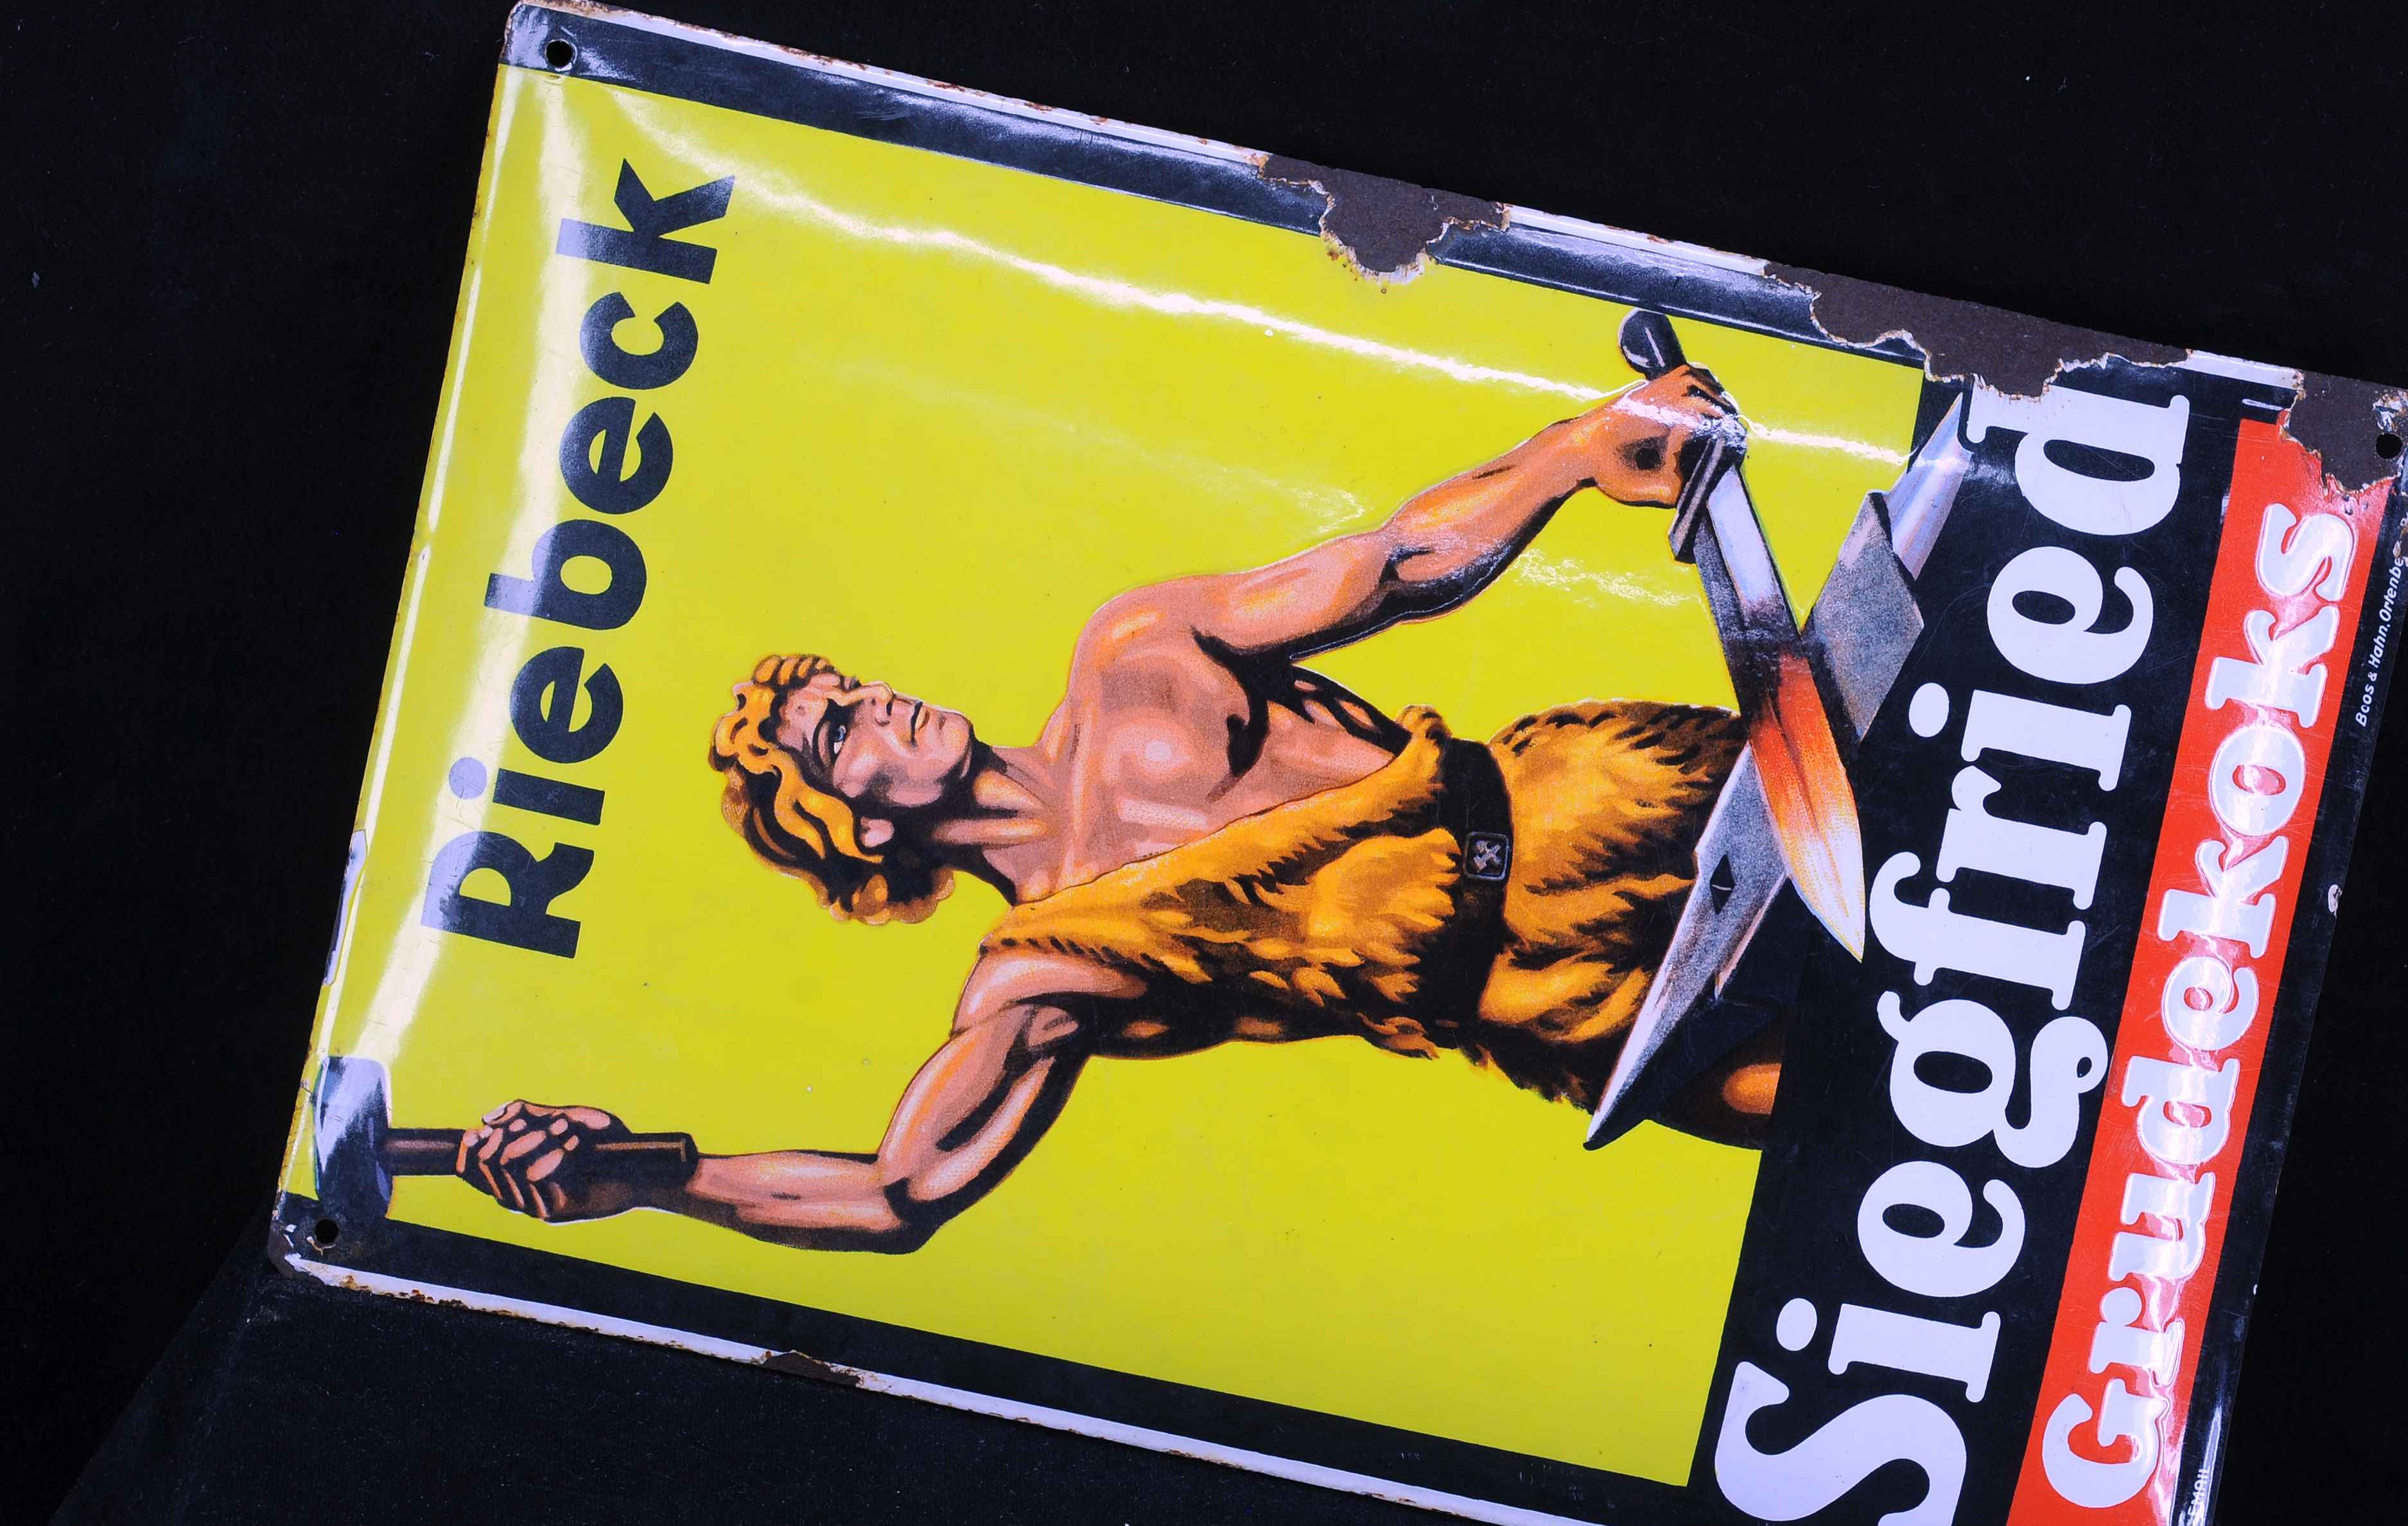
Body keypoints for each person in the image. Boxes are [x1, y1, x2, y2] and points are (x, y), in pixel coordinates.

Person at [459, 365, 1790, 1250]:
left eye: (853, 686)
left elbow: (1390, 563)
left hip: (1607, 797)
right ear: (857, 829)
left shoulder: (1136, 656)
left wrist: (1572, 453)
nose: (879, 701)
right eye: (840, 731)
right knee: (1860, 1117)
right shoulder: (1047, 971)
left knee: (1911, 832)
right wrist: (649, 1179)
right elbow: (894, 1193)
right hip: (1561, 1008)